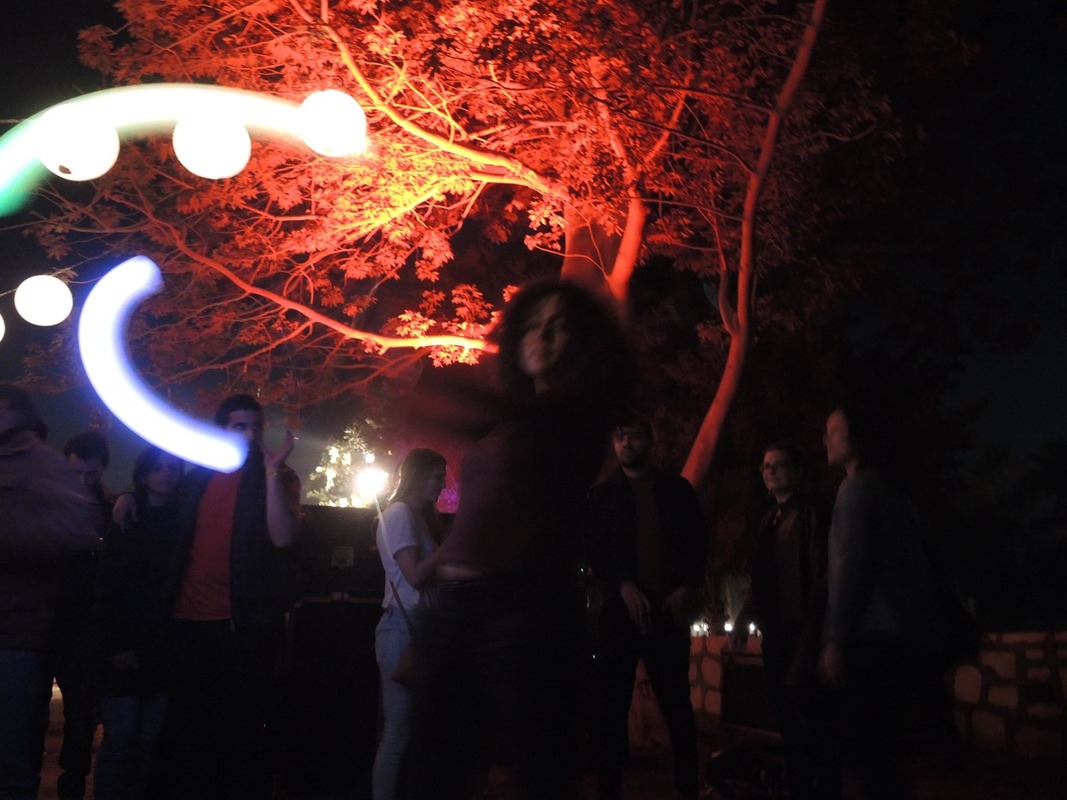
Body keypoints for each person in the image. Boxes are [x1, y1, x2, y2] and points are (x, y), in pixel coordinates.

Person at [411, 281, 633, 800]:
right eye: (533, 325)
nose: (543, 336)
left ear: (585, 341)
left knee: (538, 773)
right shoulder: (508, 424)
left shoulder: (580, 419)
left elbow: (528, 434)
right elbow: (486, 510)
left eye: (559, 326)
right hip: (455, 608)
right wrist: (440, 564)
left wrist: (439, 391)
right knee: (431, 773)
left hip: (525, 608)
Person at [159, 393, 300, 799]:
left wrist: (271, 473)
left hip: (243, 627)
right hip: (189, 622)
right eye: (240, 426)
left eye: (256, 427)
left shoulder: (279, 476)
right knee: (189, 734)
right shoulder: (197, 478)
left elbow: (283, 537)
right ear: (222, 429)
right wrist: (128, 498)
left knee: (240, 735)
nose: (250, 435)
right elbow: (164, 521)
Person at [818, 405, 944, 800]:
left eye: (834, 431)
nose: (826, 439)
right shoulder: (892, 491)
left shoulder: (855, 489)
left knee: (864, 752)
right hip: (902, 635)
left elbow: (851, 566)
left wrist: (835, 639)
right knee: (879, 753)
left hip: (871, 638)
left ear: (857, 438)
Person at [585, 416, 706, 800]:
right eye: (619, 436)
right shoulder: (602, 496)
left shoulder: (677, 491)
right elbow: (595, 551)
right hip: (619, 615)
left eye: (633, 436)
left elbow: (697, 543)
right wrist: (622, 584)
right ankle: (609, 790)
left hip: (667, 612)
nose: (626, 443)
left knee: (677, 706)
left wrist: (685, 586)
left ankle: (688, 787)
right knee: (612, 709)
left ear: (649, 439)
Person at [0, 384, 100, 800]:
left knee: (12, 761)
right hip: (19, 632)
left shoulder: (43, 465)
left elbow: (76, 528)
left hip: (17, 634)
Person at [731, 442, 839, 800]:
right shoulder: (769, 519)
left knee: (815, 723)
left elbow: (823, 575)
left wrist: (815, 632)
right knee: (788, 724)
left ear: (797, 471)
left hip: (804, 632)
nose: (769, 471)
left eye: (778, 465)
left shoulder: (813, 511)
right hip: (776, 634)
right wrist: (744, 617)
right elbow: (762, 579)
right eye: (765, 465)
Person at [93, 445, 184, 800]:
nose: (166, 473)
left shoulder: (180, 522)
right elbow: (108, 586)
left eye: (172, 467)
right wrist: (116, 645)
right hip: (129, 643)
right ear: (145, 474)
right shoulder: (127, 520)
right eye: (159, 467)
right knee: (122, 736)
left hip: (162, 645)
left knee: (147, 739)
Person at [40, 431, 115, 800]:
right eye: (78, 473)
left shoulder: (109, 510)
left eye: (91, 474)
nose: (84, 481)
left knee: (80, 716)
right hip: (47, 621)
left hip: (81, 625)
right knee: (42, 713)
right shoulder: (48, 504)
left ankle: (70, 788)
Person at [372, 448, 447, 800]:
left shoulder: (417, 516)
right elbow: (415, 575)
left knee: (406, 730)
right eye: (436, 477)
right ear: (417, 476)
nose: (442, 484)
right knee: (398, 731)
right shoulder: (401, 513)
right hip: (403, 628)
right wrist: (448, 550)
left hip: (414, 626)